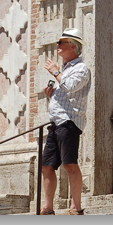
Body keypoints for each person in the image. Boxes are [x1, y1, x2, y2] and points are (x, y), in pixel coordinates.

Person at [41, 27, 91, 215]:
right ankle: (48, 206)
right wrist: (51, 96)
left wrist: (55, 72)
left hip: (69, 122)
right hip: (56, 124)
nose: (57, 46)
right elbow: (65, 92)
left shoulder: (81, 69)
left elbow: (70, 86)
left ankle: (76, 206)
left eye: (61, 43)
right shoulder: (66, 69)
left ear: (72, 46)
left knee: (70, 163)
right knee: (47, 166)